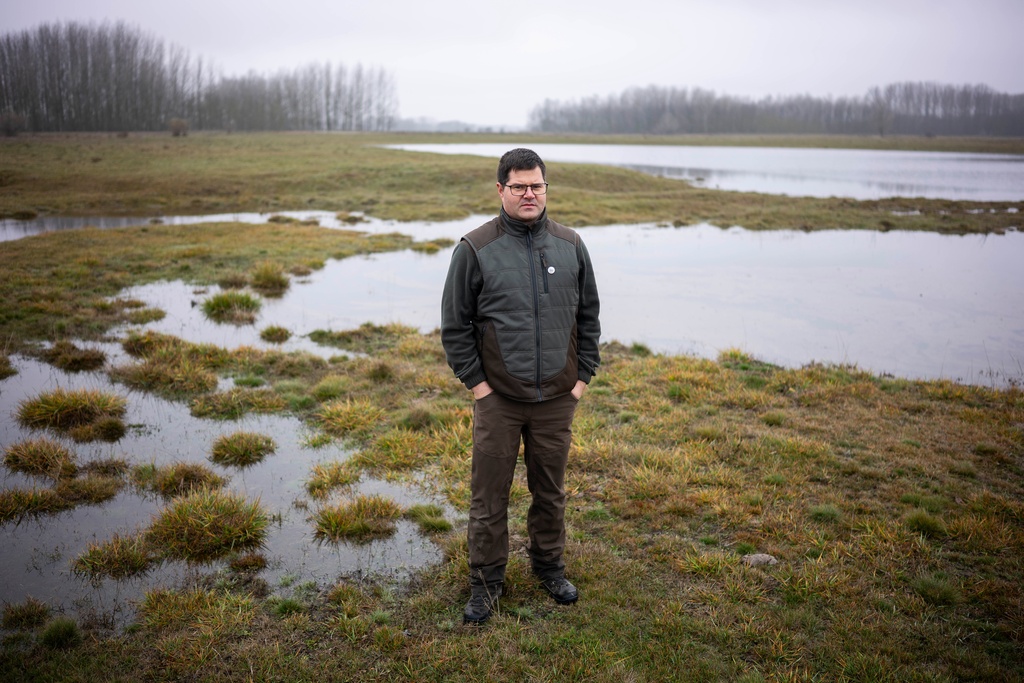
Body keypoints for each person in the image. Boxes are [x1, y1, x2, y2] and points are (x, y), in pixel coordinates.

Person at [440, 148, 602, 625]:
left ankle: (550, 568)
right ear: (501, 191)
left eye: (537, 186)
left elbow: (588, 316)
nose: (529, 194)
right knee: (489, 497)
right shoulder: (475, 247)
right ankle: (487, 583)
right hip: (499, 401)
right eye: (519, 187)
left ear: (546, 188)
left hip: (557, 399)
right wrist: (479, 386)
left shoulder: (571, 245)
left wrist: (582, 378)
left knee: (550, 492)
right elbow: (455, 326)